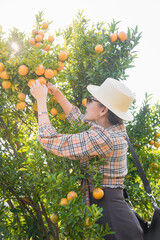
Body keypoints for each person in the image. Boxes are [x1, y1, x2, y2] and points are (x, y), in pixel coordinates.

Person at [30, 78, 144, 240]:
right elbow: (80, 120)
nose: (86, 104)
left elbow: (49, 139)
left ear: (103, 110)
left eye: (90, 100)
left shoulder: (104, 138)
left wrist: (41, 101)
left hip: (111, 218)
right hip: (110, 211)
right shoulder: (112, 131)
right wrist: (59, 96)